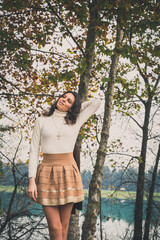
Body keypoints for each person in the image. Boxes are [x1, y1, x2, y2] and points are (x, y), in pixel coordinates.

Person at [27, 91, 101, 240]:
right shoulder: (42, 121)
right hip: (47, 172)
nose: (64, 100)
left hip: (69, 173)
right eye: (63, 97)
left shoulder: (76, 120)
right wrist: (31, 180)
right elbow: (34, 151)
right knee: (55, 228)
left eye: (69, 101)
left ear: (72, 107)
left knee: (64, 227)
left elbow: (96, 102)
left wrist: (76, 108)